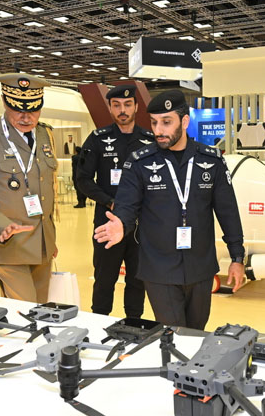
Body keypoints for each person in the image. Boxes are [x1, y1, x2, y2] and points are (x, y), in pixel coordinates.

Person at [94, 89, 246, 329]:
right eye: (154, 122)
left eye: (166, 122)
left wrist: (237, 257)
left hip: (200, 266)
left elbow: (228, 212)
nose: (158, 130)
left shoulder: (211, 161)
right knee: (174, 333)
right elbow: (127, 204)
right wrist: (121, 224)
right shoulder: (139, 162)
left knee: (196, 331)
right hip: (159, 268)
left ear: (184, 122)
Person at [0, 73, 58, 303]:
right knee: (25, 309)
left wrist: (50, 240)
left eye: (33, 109)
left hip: (42, 243)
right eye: (18, 109)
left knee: (41, 308)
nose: (26, 117)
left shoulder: (45, 133)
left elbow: (46, 188)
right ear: (5, 103)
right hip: (8, 243)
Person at [75, 84, 156, 319]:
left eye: (128, 105)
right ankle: (99, 322)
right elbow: (82, 179)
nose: (122, 110)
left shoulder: (149, 141)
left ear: (136, 107)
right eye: (117, 105)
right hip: (106, 221)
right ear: (110, 108)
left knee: (137, 280)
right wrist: (110, 202)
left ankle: (133, 324)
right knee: (104, 278)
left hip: (141, 224)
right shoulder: (98, 139)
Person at [64, 134, 87, 208]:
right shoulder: (84, 158)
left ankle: (80, 203)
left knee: (78, 189)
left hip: (76, 175)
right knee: (83, 189)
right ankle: (84, 202)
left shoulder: (74, 157)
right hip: (84, 176)